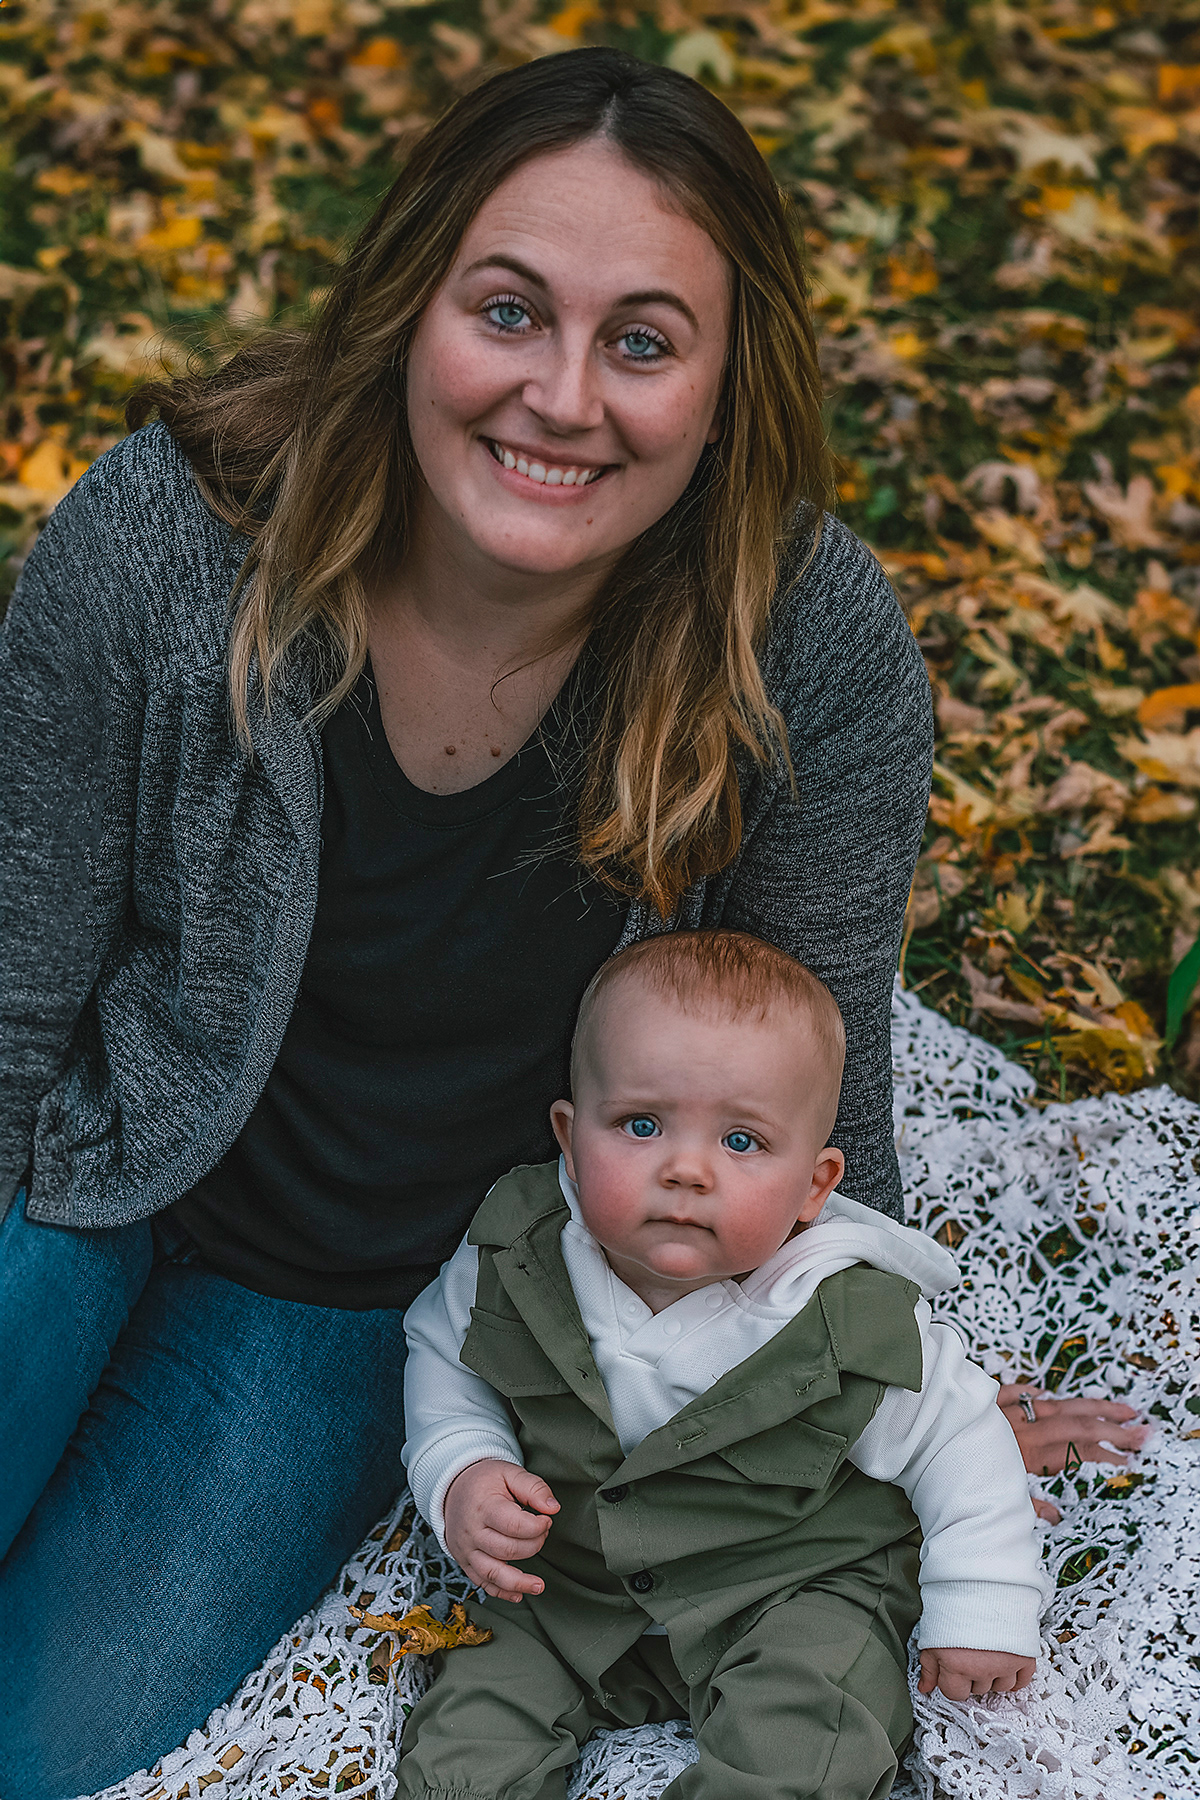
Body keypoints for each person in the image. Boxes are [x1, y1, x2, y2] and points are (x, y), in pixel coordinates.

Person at [0, 46, 1140, 1798]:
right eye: (510, 311)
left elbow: (813, 1035)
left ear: (725, 383)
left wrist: (889, 1372)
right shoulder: (171, 540)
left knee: (38, 1736)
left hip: (366, 1295)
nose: (561, 398)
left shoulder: (804, 644)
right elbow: (16, 976)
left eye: (642, 341)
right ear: (409, 307)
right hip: (88, 1163)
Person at [399, 930, 1047, 1800]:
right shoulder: (517, 1252)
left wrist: (983, 1603)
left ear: (814, 1186)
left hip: (789, 1585)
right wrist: (463, 1466)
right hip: (572, 1587)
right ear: (570, 1138)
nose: (686, 1170)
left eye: (741, 1141)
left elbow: (960, 1442)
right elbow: (445, 1355)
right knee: (466, 1740)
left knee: (809, 1733)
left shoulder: (845, 1315)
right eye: (640, 1125)